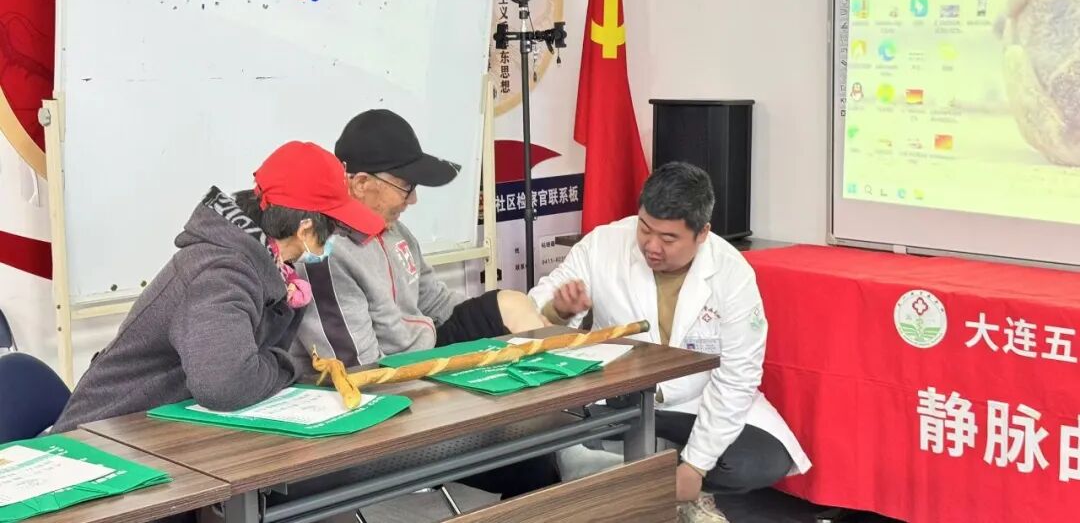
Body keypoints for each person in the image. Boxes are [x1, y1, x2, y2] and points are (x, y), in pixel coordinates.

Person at [293, 108, 557, 499]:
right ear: (361, 183)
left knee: (511, 304)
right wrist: (459, 387)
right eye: (406, 186)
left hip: (422, 357)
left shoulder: (394, 231)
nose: (413, 199)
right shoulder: (323, 254)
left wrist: (484, 342)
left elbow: (436, 300)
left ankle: (567, 413)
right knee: (530, 464)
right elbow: (360, 372)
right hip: (381, 393)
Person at [529, 162, 811, 523]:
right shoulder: (603, 244)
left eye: (668, 238)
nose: (651, 246)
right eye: (644, 228)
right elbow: (534, 309)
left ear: (702, 233)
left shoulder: (732, 273)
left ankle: (648, 481)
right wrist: (558, 310)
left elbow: (738, 377)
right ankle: (659, 489)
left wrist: (695, 465)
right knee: (545, 439)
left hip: (694, 401)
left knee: (760, 459)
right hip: (618, 399)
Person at [52, 141, 384, 433]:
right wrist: (288, 365)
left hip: (161, 429)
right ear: (305, 229)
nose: (331, 243)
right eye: (332, 231)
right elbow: (226, 385)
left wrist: (266, 362)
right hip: (102, 437)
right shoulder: (221, 272)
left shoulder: (263, 263)